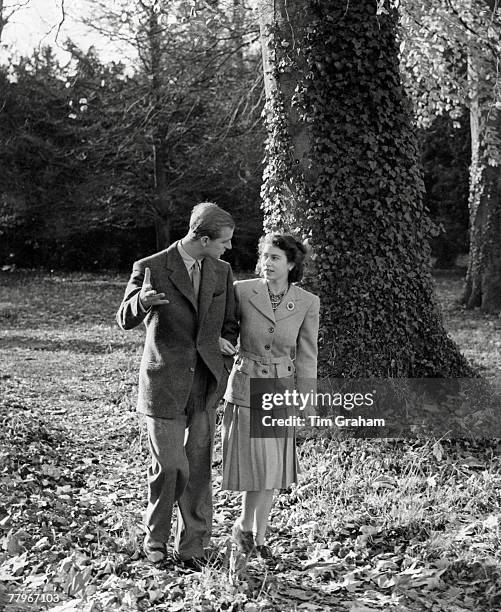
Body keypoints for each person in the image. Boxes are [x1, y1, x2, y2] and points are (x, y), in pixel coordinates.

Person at [116, 202, 238, 569]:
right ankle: (155, 539)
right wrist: (141, 301)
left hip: (204, 385)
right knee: (170, 465)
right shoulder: (151, 267)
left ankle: (194, 546)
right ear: (201, 238)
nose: (228, 248)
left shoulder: (222, 270)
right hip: (163, 384)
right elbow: (124, 318)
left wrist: (221, 348)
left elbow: (228, 322)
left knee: (198, 468)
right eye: (224, 241)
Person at [222, 233, 320, 560]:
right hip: (247, 385)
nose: (267, 263)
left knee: (272, 472)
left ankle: (256, 536)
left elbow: (307, 356)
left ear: (292, 264)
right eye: (265, 256)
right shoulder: (243, 291)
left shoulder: (307, 302)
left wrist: (307, 402)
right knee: (260, 468)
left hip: (280, 390)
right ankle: (246, 529)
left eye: (275, 258)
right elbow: (225, 331)